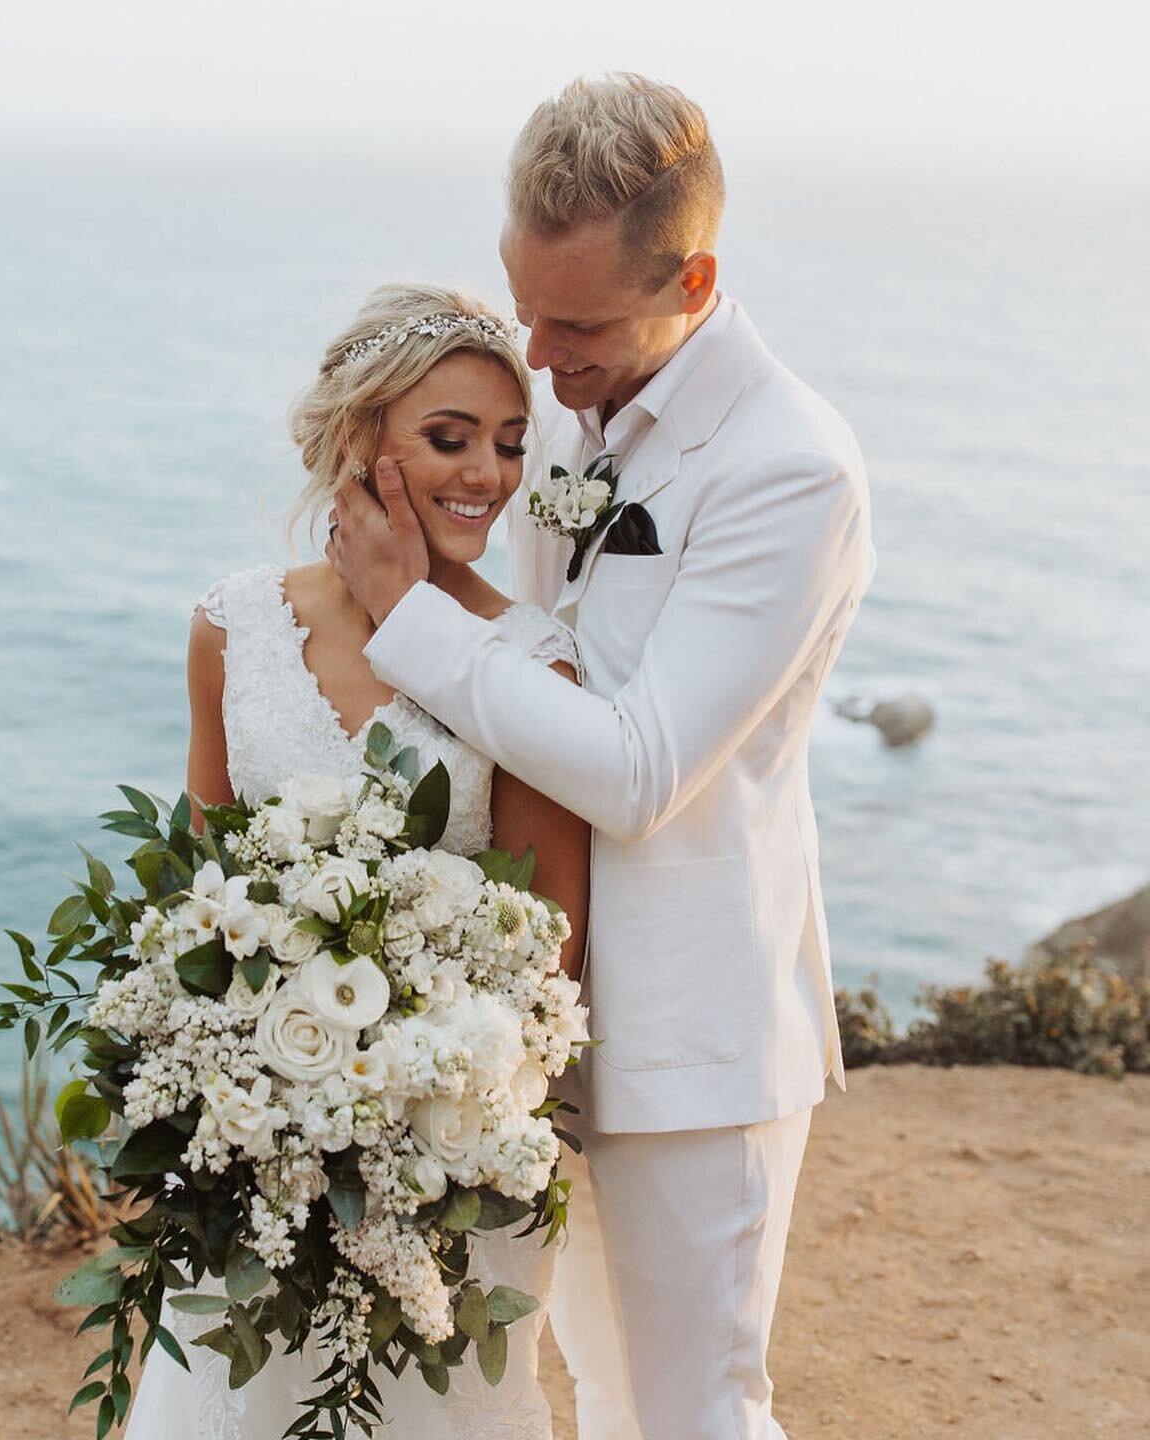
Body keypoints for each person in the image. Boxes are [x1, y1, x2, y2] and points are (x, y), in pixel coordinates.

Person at [327, 75, 876, 1440]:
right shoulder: (570, 408)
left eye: (575, 325)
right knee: (595, 1386)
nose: (541, 355)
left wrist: (408, 626)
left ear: (694, 279)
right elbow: (536, 635)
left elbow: (638, 767)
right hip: (533, 1002)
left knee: (696, 1410)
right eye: (529, 307)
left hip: (696, 1035)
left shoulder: (789, 469)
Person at [124, 282, 590, 1440]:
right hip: (257, 1165)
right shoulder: (233, 626)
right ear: (354, 440)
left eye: (509, 442)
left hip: (452, 1158)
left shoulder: (531, 663)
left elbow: (554, 955)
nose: (487, 473)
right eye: (448, 438)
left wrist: (405, 1099)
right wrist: (246, 1084)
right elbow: (200, 892)